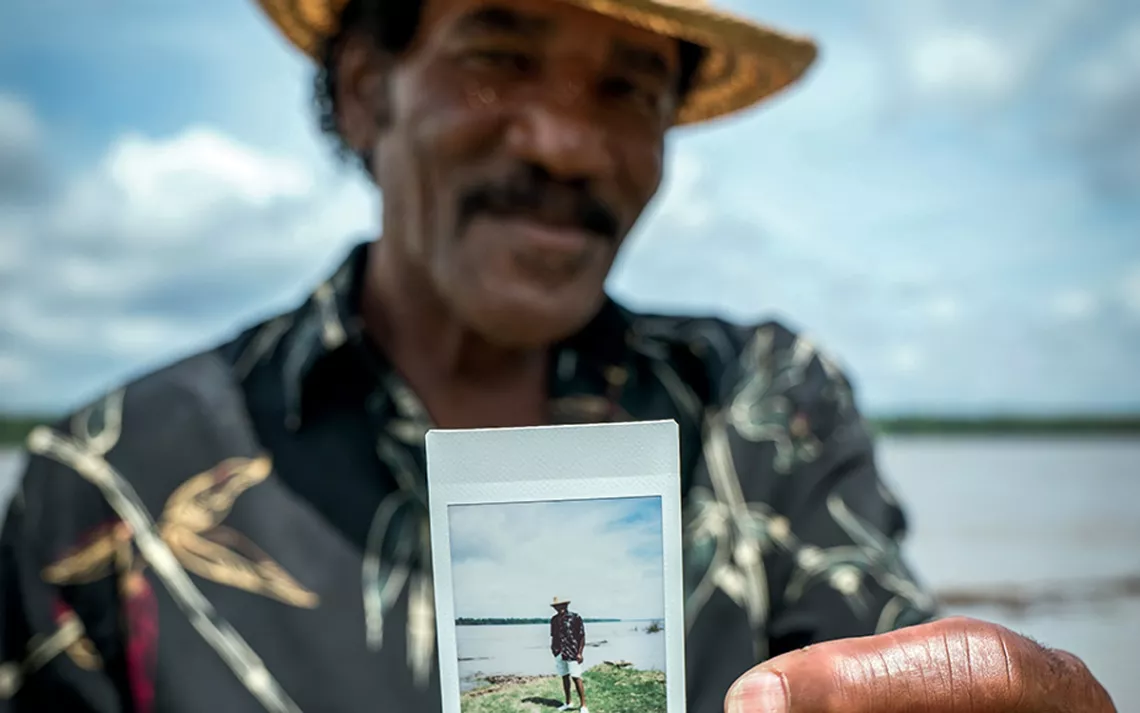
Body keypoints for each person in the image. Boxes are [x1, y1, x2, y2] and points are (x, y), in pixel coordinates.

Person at [0, 0, 1117, 711]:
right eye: (499, 55)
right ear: (363, 89)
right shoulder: (105, 482)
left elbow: (874, 656)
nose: (566, 140)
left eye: (627, 86)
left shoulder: (768, 409)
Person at [549, 597, 586, 712]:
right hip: (559, 652)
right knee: (564, 677)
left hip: (572, 652)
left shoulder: (575, 617)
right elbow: (553, 636)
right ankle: (568, 702)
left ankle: (583, 705)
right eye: (556, 606)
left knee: (576, 677)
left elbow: (582, 636)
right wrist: (554, 650)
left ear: (566, 605)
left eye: (561, 605)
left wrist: (579, 653)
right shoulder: (554, 620)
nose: (559, 608)